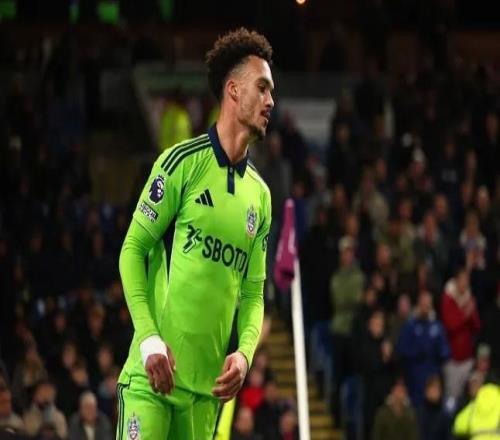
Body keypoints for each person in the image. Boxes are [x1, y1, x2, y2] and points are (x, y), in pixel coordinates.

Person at [116, 28, 274, 439]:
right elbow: (132, 249)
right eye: (262, 88)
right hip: (153, 380)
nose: (271, 101)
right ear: (233, 90)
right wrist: (148, 339)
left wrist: (244, 354)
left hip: (205, 398)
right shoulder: (181, 164)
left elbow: (253, 294)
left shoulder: (260, 196)